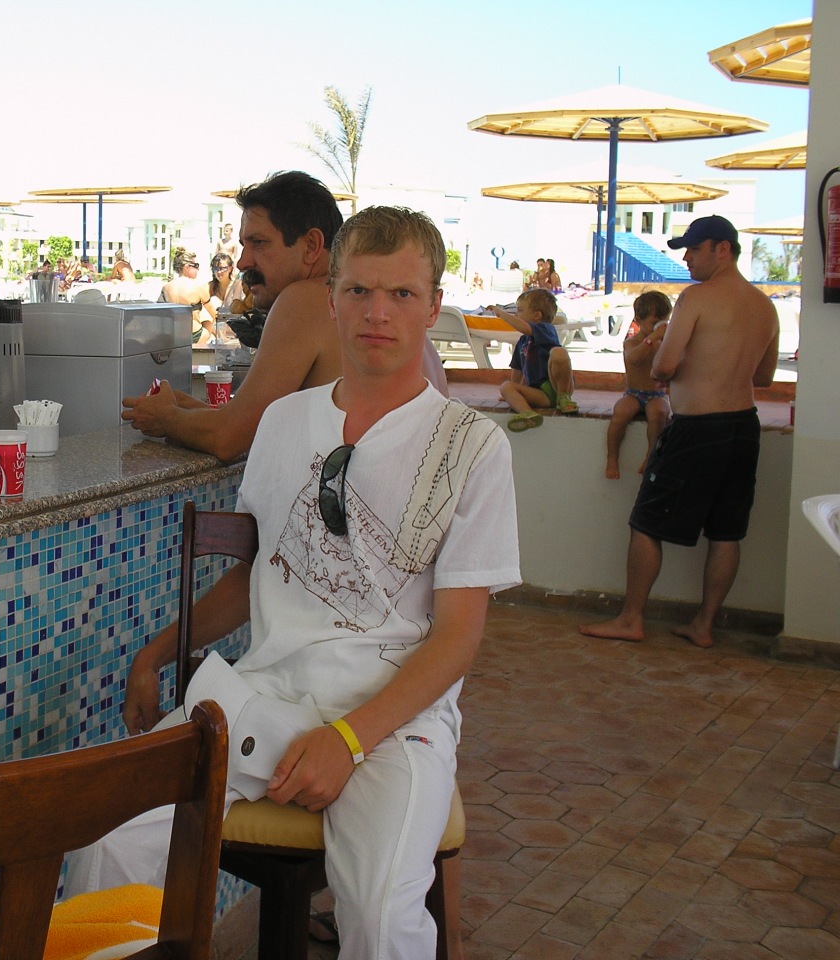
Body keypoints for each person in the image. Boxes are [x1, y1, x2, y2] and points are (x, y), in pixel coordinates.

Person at [69, 205, 520, 960]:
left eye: (402, 294)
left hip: (394, 721)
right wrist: (156, 652)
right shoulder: (283, 422)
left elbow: (457, 639)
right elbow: (258, 574)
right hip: (267, 692)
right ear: (331, 298)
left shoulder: (471, 447)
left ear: (433, 306)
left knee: (379, 914)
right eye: (359, 290)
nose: (378, 312)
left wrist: (346, 739)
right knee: (107, 840)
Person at [121, 170, 448, 461]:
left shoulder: (305, 298)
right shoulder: (402, 328)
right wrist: (183, 408)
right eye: (244, 245)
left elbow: (229, 438)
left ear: (312, 245)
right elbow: (265, 424)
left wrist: (167, 418)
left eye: (259, 243)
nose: (243, 262)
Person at [581, 216, 779, 648]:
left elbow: (662, 368)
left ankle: (631, 619)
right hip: (743, 427)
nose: (686, 257)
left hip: (697, 427)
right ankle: (703, 625)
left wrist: (679, 351)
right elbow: (763, 377)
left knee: (646, 522)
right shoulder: (765, 306)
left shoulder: (696, 298)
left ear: (722, 249)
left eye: (693, 248)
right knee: (726, 531)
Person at [489, 288, 578, 431]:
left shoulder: (546, 329)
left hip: (556, 386)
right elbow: (517, 369)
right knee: (506, 386)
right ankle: (528, 414)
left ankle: (564, 398)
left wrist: (502, 314)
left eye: (520, 310)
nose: (516, 314)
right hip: (540, 394)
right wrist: (512, 393)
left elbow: (524, 327)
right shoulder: (522, 342)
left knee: (558, 352)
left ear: (537, 315)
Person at [605, 291, 672, 480]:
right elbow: (633, 359)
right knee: (621, 412)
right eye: (655, 323)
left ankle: (651, 456)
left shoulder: (664, 343)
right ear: (638, 321)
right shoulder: (632, 342)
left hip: (657, 395)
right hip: (634, 393)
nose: (659, 327)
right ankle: (612, 457)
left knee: (659, 413)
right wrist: (651, 339)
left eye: (664, 322)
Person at [160, 248, 215, 345]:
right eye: (196, 266)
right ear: (186, 267)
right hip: (194, 335)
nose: (198, 269)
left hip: (172, 337)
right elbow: (214, 314)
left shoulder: (166, 287)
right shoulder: (198, 286)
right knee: (208, 322)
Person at [206, 251, 243, 316]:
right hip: (214, 320)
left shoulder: (236, 284)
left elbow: (235, 308)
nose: (219, 272)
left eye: (222, 268)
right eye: (215, 268)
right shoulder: (210, 286)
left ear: (230, 269)